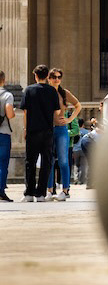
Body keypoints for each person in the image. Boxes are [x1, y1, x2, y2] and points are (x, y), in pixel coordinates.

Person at [21, 63, 64, 203]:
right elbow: (57, 112)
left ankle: (29, 193)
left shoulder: (28, 90)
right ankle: (41, 193)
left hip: (33, 131)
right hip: (47, 131)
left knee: (30, 162)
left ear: (35, 76)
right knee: (47, 162)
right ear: (47, 76)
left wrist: (25, 129)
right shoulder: (52, 91)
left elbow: (25, 112)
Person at [47, 70, 80, 200]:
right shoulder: (46, 92)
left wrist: (69, 119)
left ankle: (65, 190)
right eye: (54, 77)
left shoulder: (64, 93)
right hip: (48, 130)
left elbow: (78, 106)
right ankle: (50, 190)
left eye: (59, 77)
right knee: (48, 161)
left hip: (61, 129)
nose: (57, 79)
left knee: (63, 160)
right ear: (49, 78)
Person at [0, 71, 14, 201]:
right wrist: (13, 113)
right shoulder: (7, 95)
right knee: (2, 164)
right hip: (3, 132)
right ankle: (0, 191)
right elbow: (9, 114)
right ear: (3, 80)